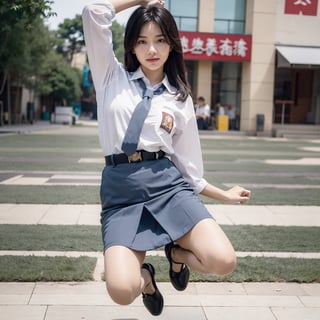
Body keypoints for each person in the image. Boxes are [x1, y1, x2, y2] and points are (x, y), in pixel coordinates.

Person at [82, 0, 251, 316]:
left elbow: (189, 167)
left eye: (160, 39)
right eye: (142, 41)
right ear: (132, 46)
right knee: (121, 291)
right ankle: (146, 279)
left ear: (173, 44)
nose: (152, 49)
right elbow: (94, 12)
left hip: (168, 187)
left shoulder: (179, 96)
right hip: (121, 192)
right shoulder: (109, 76)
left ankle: (178, 255)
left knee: (223, 261)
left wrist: (223, 195)